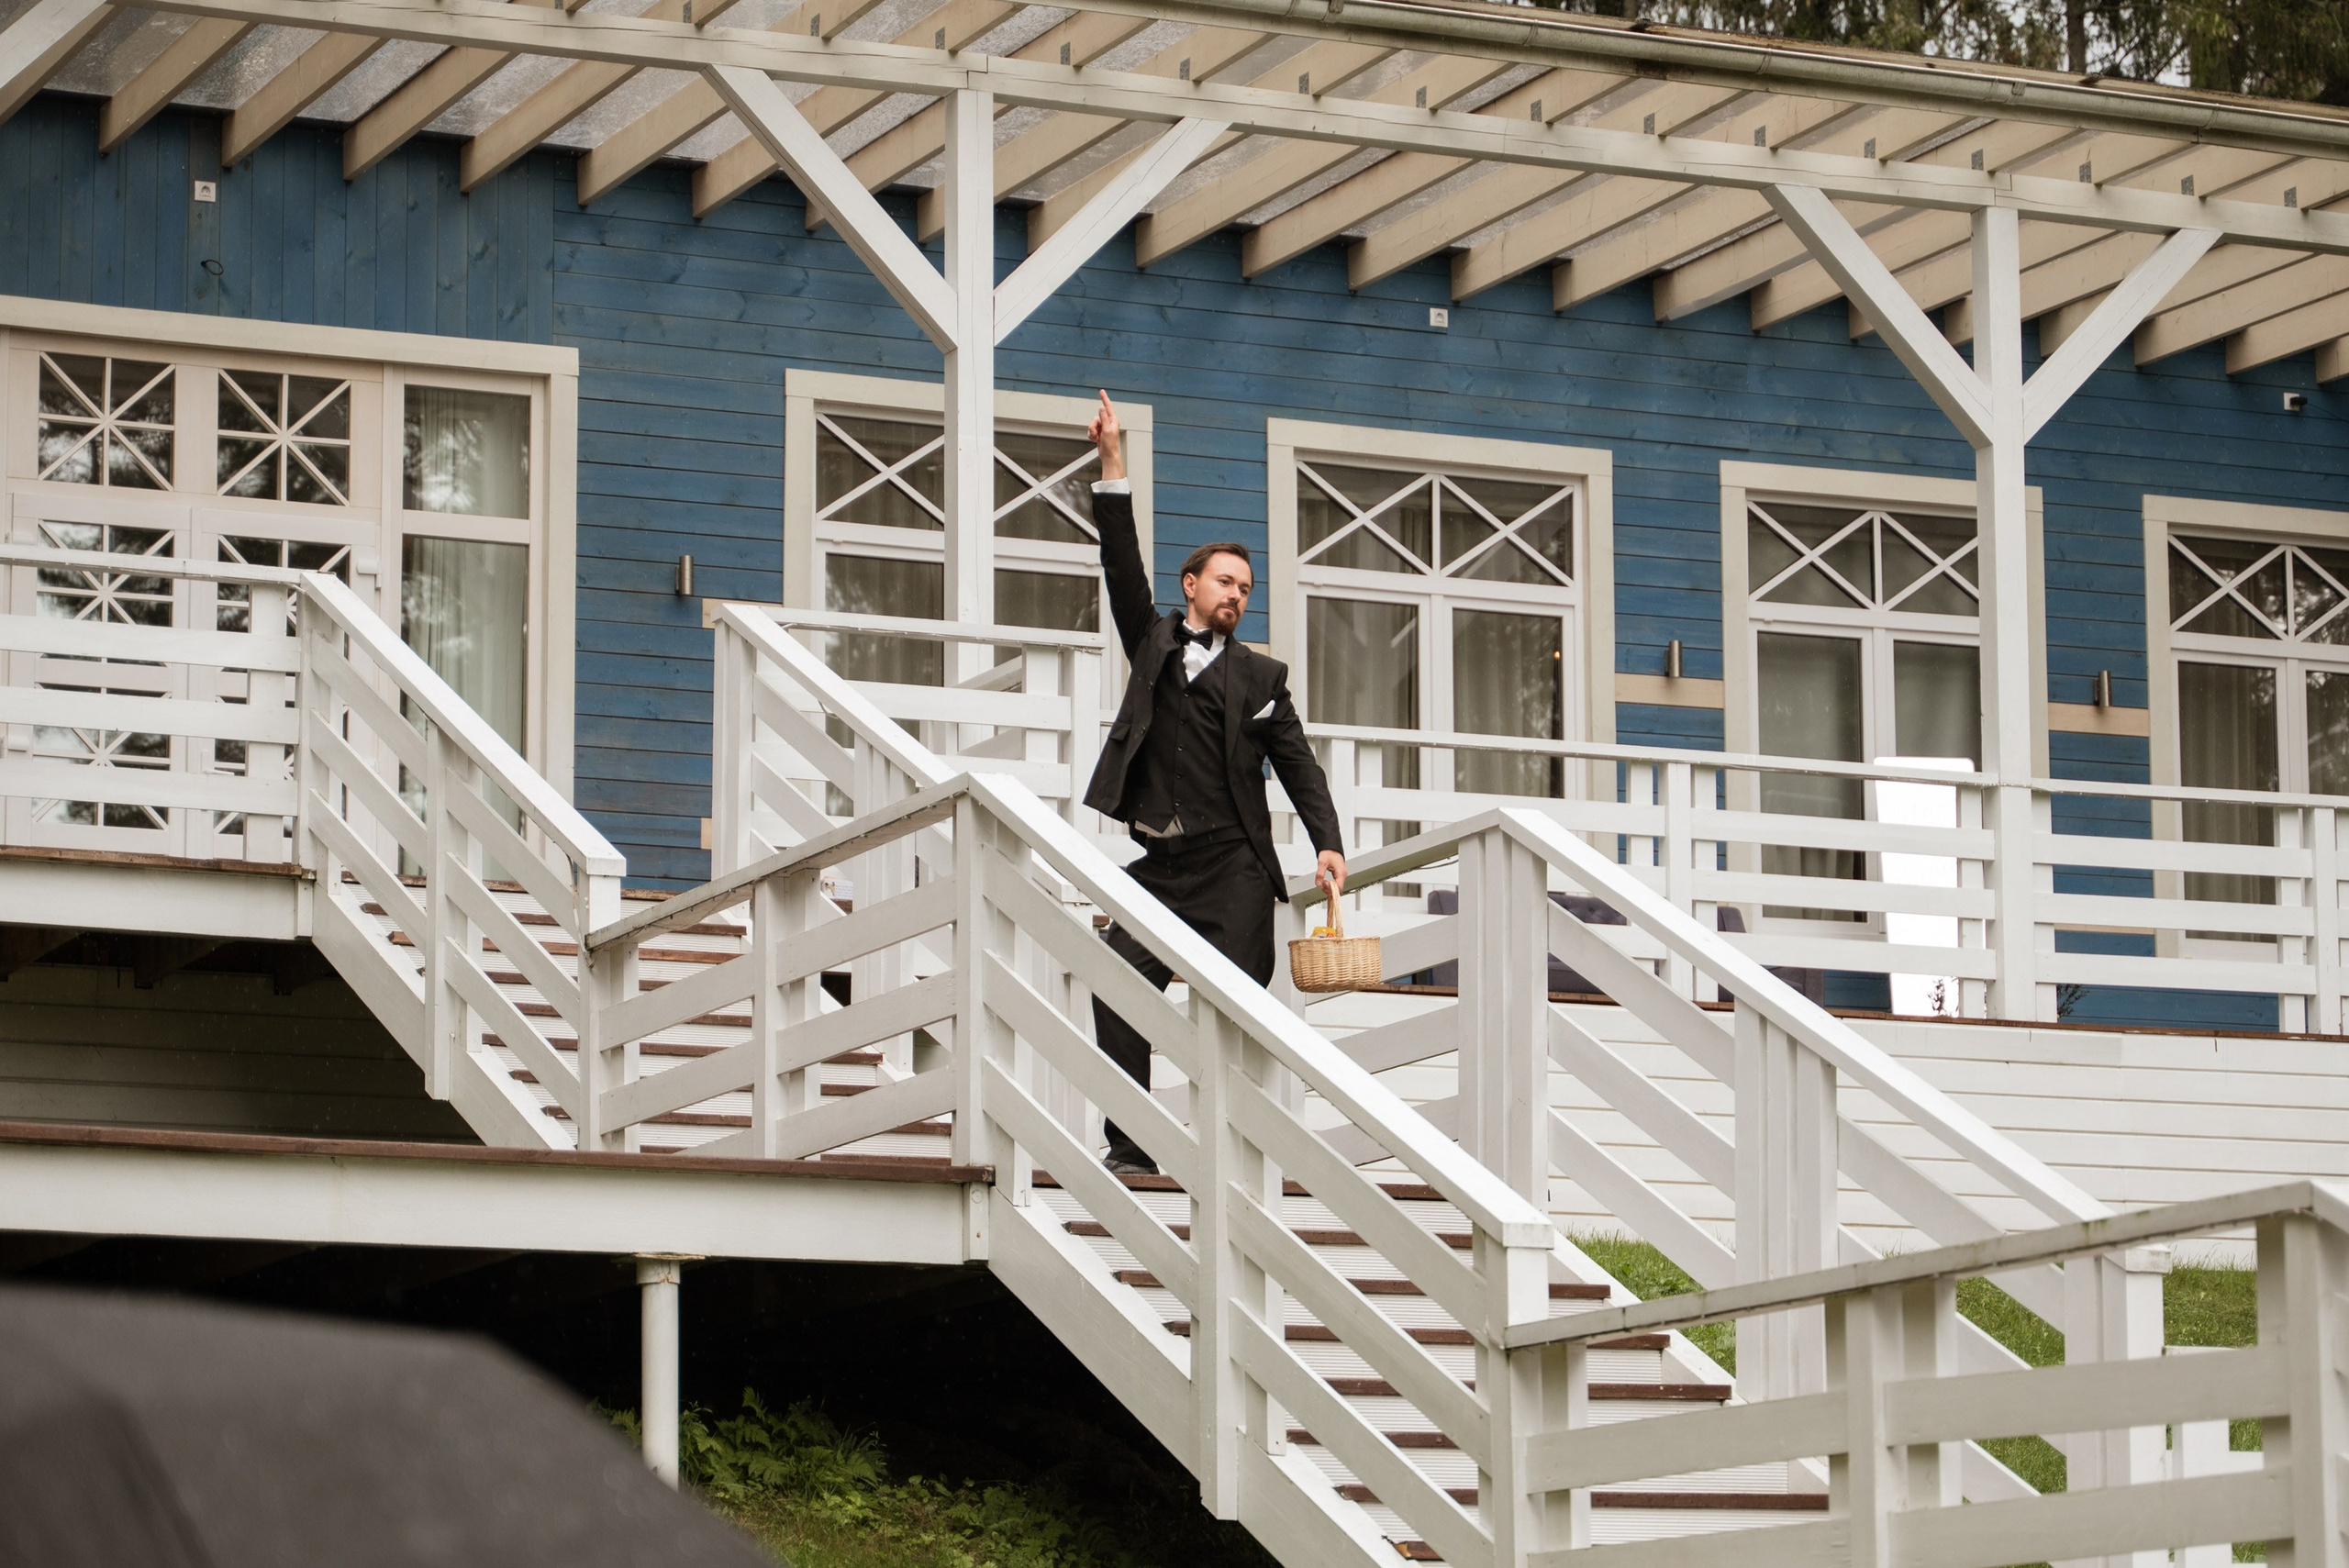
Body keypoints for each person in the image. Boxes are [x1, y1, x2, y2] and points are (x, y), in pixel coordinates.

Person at [1080, 391, 1347, 1175]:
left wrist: (1327, 842)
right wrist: (1113, 462)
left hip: (1231, 865)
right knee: (1115, 978)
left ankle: (1236, 1155)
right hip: (1160, 869)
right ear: (1190, 584)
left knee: (1235, 1005)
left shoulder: (1262, 676)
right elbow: (1119, 561)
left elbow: (1297, 761)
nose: (1235, 594)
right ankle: (1131, 1147)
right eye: (1223, 581)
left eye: (1246, 588)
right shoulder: (1152, 644)